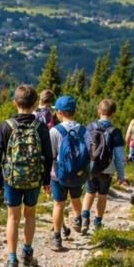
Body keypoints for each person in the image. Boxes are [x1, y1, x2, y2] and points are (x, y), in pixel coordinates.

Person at [0, 84, 54, 267]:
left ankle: (11, 261)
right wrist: (46, 180)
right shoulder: (41, 127)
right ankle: (26, 253)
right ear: (35, 105)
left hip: (12, 179)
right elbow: (48, 156)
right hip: (34, 179)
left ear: (14, 103)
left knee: (13, 217)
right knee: (30, 215)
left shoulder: (6, 126)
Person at [48, 96, 92, 252]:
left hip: (58, 175)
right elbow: (89, 153)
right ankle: (77, 219)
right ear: (76, 111)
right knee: (75, 198)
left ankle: (57, 238)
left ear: (59, 113)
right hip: (78, 173)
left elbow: (51, 155)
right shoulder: (84, 131)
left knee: (58, 205)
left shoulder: (54, 131)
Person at [79, 99, 128, 234]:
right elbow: (119, 156)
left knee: (89, 193)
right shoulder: (116, 132)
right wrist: (121, 175)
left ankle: (85, 218)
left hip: (91, 167)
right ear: (113, 114)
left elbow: (83, 149)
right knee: (102, 197)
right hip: (108, 170)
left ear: (99, 112)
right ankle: (98, 223)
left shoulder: (90, 127)